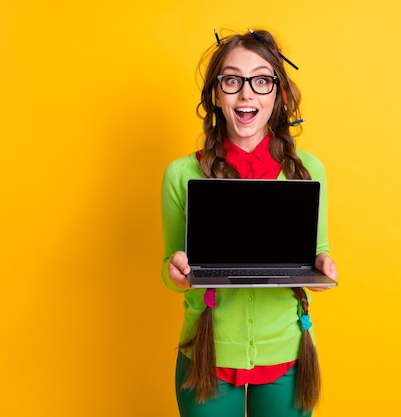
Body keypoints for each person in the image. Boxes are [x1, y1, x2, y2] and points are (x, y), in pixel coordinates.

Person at [160, 28, 338, 417]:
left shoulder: (309, 171)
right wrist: (174, 273)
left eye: (261, 80)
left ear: (279, 94)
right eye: (232, 80)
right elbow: (168, 267)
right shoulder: (181, 173)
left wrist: (322, 265)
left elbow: (318, 249)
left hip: (288, 356)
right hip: (207, 354)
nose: (246, 93)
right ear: (215, 94)